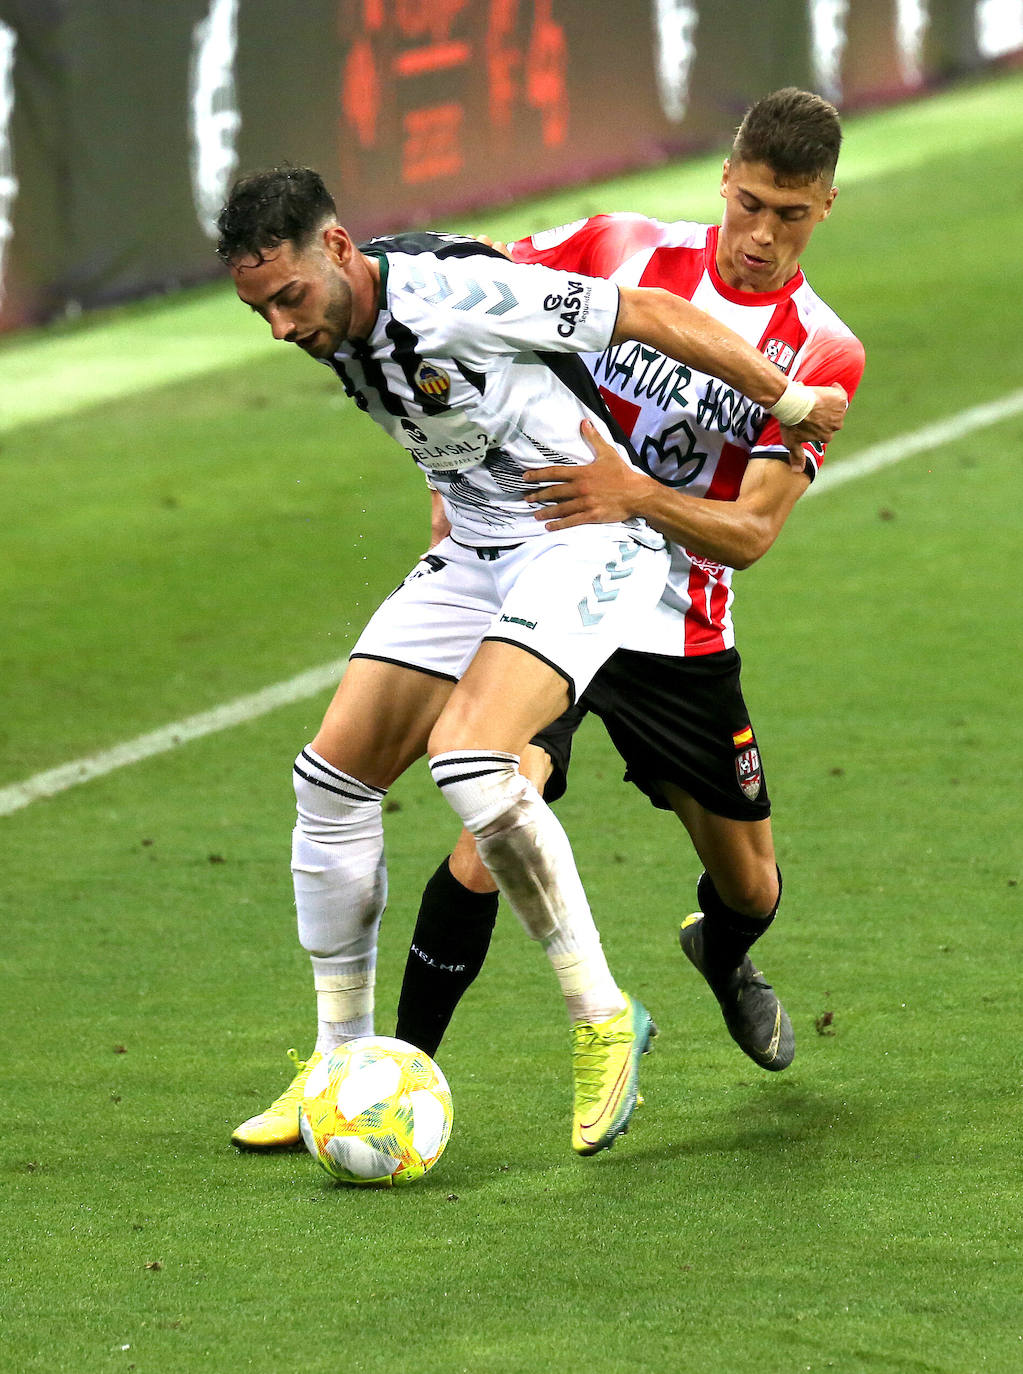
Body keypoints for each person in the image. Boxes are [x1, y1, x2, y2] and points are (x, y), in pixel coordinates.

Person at [218, 161, 845, 1157]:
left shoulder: (453, 294)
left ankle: (604, 1020)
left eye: (289, 298)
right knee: (329, 780)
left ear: (337, 249)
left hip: (585, 543)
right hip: (478, 549)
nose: (283, 328)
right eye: (262, 311)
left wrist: (789, 397)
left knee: (473, 761)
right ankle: (341, 1062)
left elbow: (639, 311)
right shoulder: (333, 322)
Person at [393, 88, 865, 1072]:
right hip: (553, 577)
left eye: (790, 215)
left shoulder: (820, 354)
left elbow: (749, 535)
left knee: (752, 890)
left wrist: (634, 494)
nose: (761, 237)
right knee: (494, 813)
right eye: (750, 205)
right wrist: (458, 457)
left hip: (679, 625)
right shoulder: (620, 249)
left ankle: (722, 955)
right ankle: (394, 1067)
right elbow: (475, 277)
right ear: (725, 182)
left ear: (826, 208)